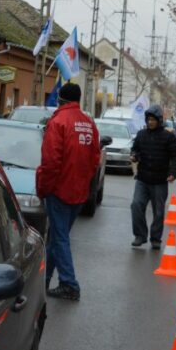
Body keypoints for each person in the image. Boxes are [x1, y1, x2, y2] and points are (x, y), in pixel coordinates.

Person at [35, 83, 101, 302]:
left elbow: (51, 162)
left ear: (60, 99)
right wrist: (84, 184)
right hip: (79, 191)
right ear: (78, 100)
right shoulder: (89, 123)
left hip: (59, 190)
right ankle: (43, 279)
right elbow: (94, 159)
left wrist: (43, 188)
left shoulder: (58, 122)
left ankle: (69, 284)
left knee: (60, 238)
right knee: (57, 237)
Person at [131, 104, 176, 250]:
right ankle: (140, 235)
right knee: (136, 205)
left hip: (160, 181)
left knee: (158, 212)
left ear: (159, 120)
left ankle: (155, 238)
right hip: (142, 179)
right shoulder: (141, 135)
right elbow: (135, 150)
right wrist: (134, 156)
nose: (150, 122)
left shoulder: (168, 137)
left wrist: (173, 173)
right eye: (148, 119)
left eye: (153, 119)